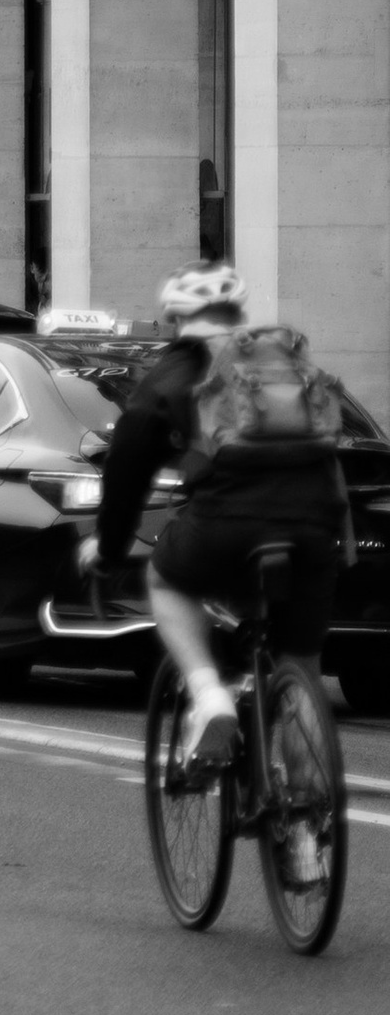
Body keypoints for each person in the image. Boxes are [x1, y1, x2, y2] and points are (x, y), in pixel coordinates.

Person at [95, 263, 351, 770]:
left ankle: (209, 694)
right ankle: (305, 825)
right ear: (237, 314)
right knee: (300, 663)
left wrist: (107, 549)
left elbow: (127, 463)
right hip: (313, 523)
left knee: (166, 579)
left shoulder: (176, 372)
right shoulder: (283, 363)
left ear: (173, 318)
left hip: (227, 520)